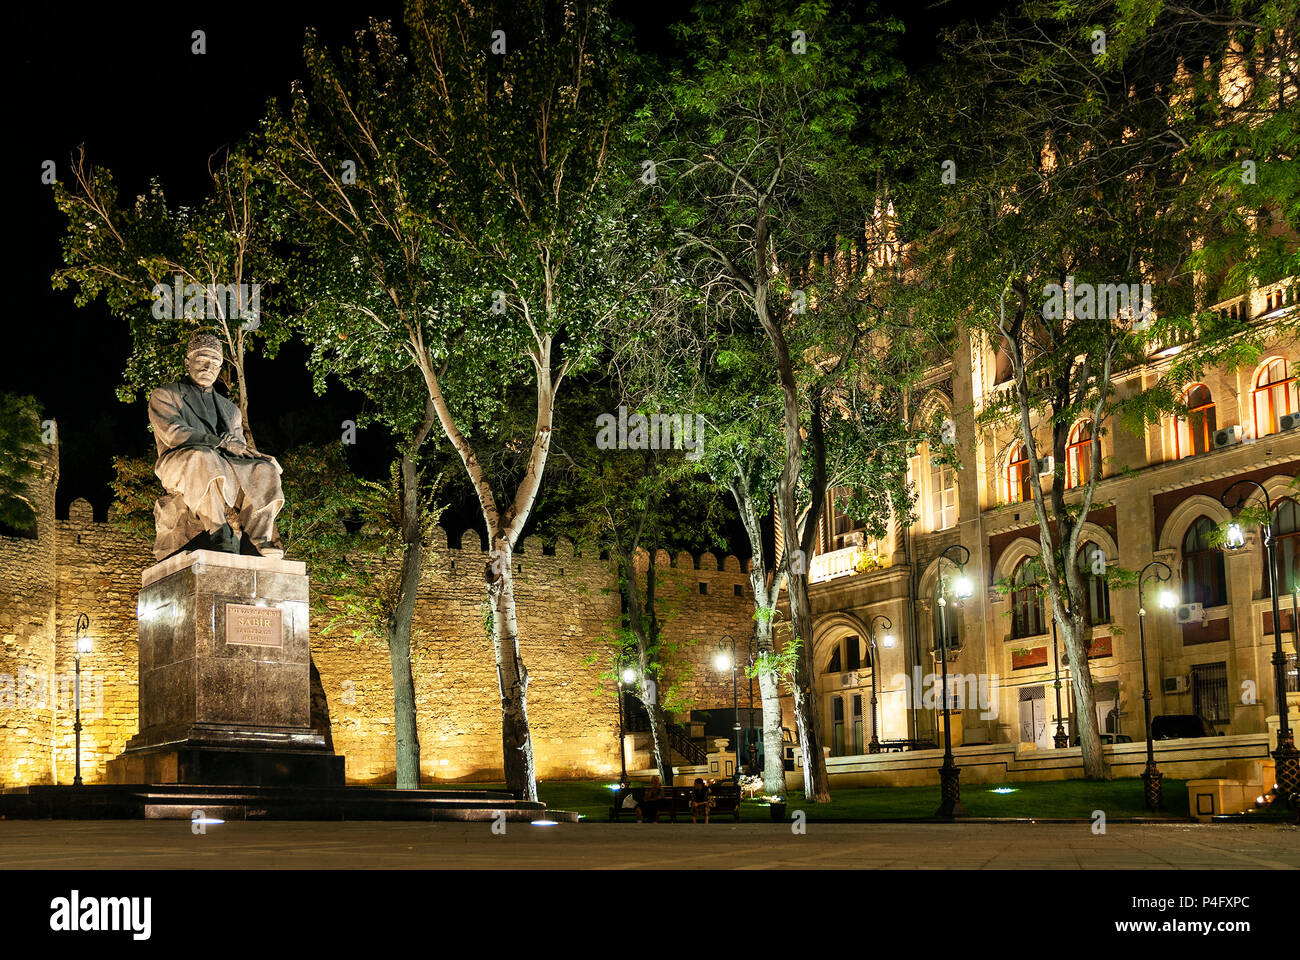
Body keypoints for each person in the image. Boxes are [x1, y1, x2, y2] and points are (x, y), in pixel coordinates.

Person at [148, 333, 285, 560]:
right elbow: (173, 434)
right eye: (202, 359)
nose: (208, 367)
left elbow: (237, 447)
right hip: (180, 463)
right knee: (203, 456)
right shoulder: (166, 395)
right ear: (188, 362)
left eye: (215, 362)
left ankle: (258, 539)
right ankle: (218, 530)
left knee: (265, 469)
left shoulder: (230, 409)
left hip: (223, 464)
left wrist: (257, 455)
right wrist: (219, 442)